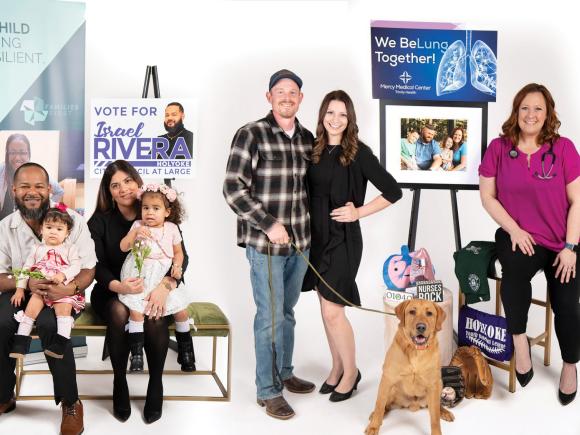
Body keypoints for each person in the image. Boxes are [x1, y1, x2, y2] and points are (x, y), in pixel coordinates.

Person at [479, 83, 580, 405]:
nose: (531, 114)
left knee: (566, 301)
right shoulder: (498, 148)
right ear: (516, 111)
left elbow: (578, 202)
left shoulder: (563, 148)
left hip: (561, 240)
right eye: (525, 107)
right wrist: (515, 230)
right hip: (518, 234)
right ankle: (519, 340)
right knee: (515, 270)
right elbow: (487, 197)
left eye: (538, 108)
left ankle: (570, 365)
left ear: (548, 113)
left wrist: (570, 248)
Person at [223, 69, 315, 420]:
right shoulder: (252, 134)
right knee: (270, 316)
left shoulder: (307, 139)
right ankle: (268, 390)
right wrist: (269, 224)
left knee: (287, 313)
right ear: (269, 97)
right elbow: (233, 188)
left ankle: (285, 372)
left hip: (301, 244)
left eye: (293, 92)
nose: (287, 97)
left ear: (301, 99)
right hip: (266, 246)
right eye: (280, 91)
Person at [302, 90, 402, 402]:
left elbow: (393, 191)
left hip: (343, 240)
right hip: (315, 238)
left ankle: (351, 372)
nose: (335, 119)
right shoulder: (313, 151)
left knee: (334, 311)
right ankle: (336, 368)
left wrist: (358, 212)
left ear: (350, 120)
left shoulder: (358, 154)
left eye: (342, 114)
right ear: (322, 116)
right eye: (330, 112)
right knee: (324, 308)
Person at [88, 160, 190, 424]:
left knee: (154, 315)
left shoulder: (158, 212)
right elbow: (94, 265)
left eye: (127, 181)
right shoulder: (100, 221)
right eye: (115, 185)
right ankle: (119, 382)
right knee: (120, 311)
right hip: (112, 290)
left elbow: (181, 257)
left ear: (137, 181)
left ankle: (155, 383)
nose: (123, 189)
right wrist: (119, 286)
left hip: (154, 286)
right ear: (108, 192)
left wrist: (166, 286)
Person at [0, 162, 96, 435]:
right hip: (21, 290)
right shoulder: (6, 227)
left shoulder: (73, 221)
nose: (33, 192)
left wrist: (71, 287)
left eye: (39, 186)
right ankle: (4, 395)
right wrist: (26, 281)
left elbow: (89, 268)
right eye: (26, 186)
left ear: (49, 189)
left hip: (63, 291)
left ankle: (70, 402)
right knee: (0, 322)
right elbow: (0, 274)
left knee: (52, 326)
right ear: (14, 189)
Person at [119, 183, 194, 373]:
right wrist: (135, 234)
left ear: (167, 212)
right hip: (140, 274)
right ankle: (136, 355)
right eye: (145, 208)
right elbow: (123, 247)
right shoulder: (137, 225)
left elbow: (179, 253)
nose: (149, 213)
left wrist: (177, 266)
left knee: (181, 311)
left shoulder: (172, 228)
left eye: (156, 208)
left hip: (162, 276)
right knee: (136, 311)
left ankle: (186, 351)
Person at [9, 204, 84, 359]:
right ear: (41, 229)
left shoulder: (70, 249)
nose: (53, 232)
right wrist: (20, 289)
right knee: (31, 308)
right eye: (49, 227)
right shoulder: (37, 249)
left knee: (63, 309)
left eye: (59, 229)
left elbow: (76, 266)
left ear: (67, 233)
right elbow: (26, 269)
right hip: (41, 289)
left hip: (61, 288)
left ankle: (60, 343)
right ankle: (20, 342)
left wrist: (63, 275)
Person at [0, 133, 64, 220]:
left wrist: (46, 210)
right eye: (13, 152)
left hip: (25, 226)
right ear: (7, 154)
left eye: (22, 153)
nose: (17, 157)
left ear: (28, 154)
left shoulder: (36, 171)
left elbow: (59, 191)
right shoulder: (2, 170)